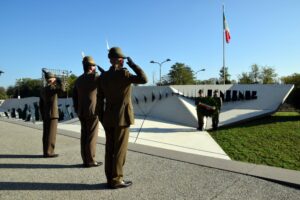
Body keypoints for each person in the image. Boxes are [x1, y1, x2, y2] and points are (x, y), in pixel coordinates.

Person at [98, 47, 147, 189]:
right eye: (124, 59)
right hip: (122, 118)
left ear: (110, 59)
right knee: (120, 150)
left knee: (109, 149)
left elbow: (99, 99)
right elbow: (144, 79)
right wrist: (133, 65)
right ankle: (117, 179)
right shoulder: (124, 74)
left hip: (108, 117)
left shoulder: (103, 77)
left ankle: (109, 178)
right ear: (120, 60)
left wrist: (102, 117)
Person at [72, 56, 103, 167]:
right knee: (91, 136)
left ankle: (85, 159)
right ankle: (90, 160)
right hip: (92, 111)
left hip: (81, 111)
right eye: (93, 65)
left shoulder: (78, 80)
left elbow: (74, 97)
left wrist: (77, 109)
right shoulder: (95, 77)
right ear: (91, 67)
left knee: (84, 135)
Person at [39, 72, 65, 158]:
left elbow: (41, 104)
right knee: (51, 134)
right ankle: (49, 152)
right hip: (52, 114)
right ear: (52, 79)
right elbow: (62, 90)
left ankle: (45, 151)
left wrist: (43, 114)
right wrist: (59, 81)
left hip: (46, 114)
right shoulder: (52, 88)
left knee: (46, 133)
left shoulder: (43, 89)